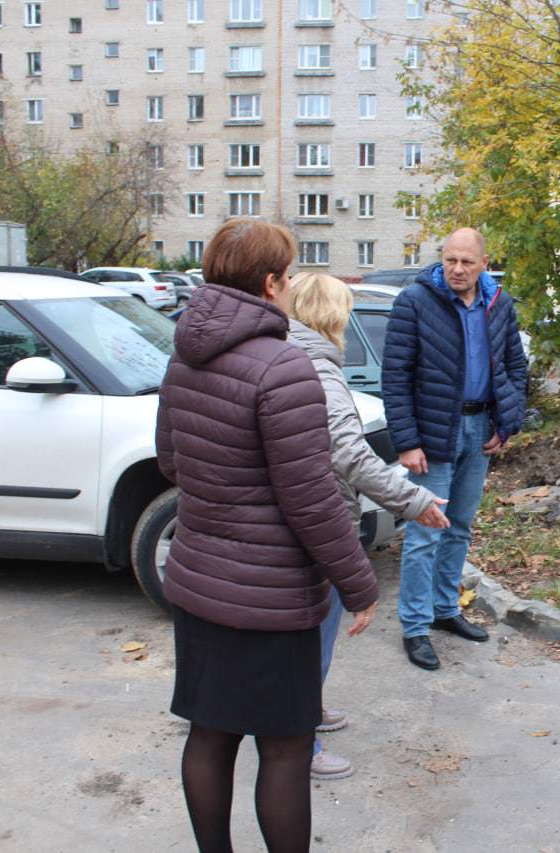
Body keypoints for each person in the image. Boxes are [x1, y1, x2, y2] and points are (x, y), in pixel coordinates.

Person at [156, 219, 378, 853]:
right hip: (271, 597)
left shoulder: (184, 355)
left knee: (211, 732)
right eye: (286, 275)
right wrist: (359, 585)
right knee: (284, 748)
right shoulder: (284, 367)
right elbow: (310, 499)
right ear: (271, 283)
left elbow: (172, 462)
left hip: (199, 581)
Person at [285, 272, 450, 778]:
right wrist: (413, 499)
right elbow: (348, 454)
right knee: (315, 634)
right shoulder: (319, 369)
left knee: (308, 633)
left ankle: (304, 715)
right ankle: (300, 744)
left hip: (297, 514)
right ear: (334, 316)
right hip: (321, 519)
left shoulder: (282, 355)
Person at [382, 227, 529, 670]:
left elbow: (515, 369)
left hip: (480, 427)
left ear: (485, 263)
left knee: (460, 526)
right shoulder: (415, 301)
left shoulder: (498, 304)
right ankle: (414, 627)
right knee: (426, 533)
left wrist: (508, 422)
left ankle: (446, 611)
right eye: (450, 260)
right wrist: (406, 442)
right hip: (433, 434)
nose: (457, 269)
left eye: (467, 261)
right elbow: (396, 376)